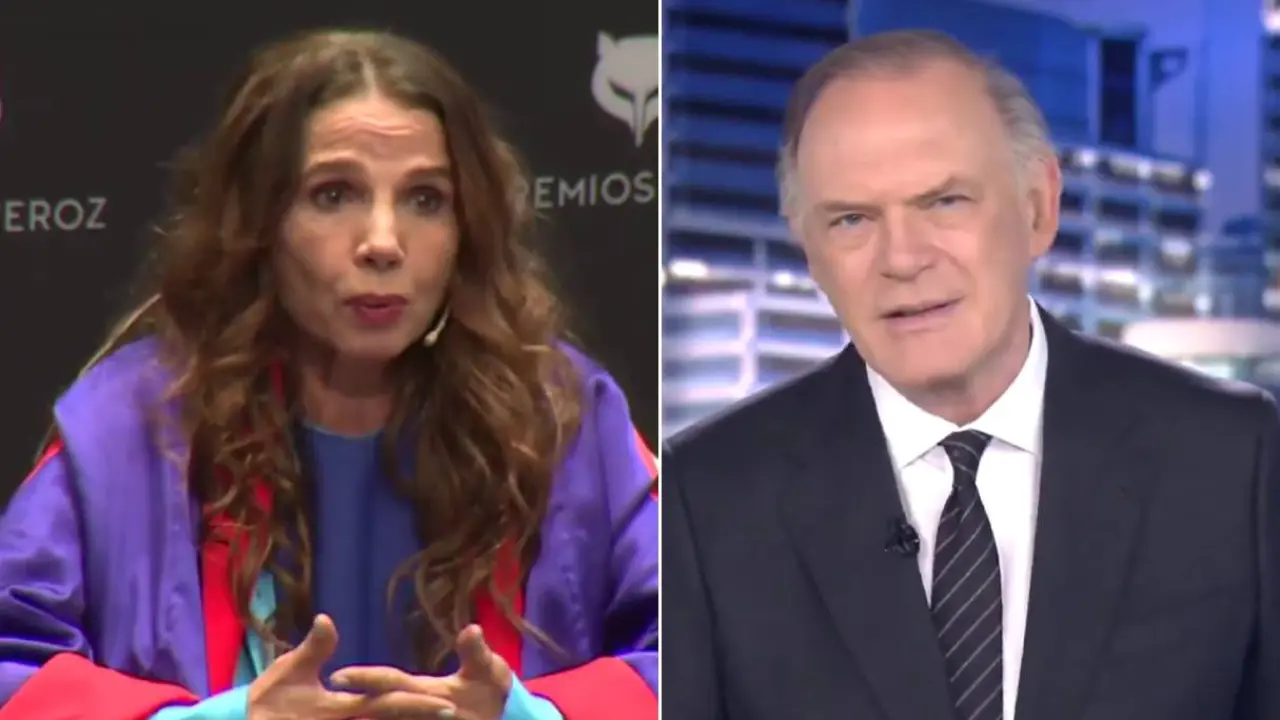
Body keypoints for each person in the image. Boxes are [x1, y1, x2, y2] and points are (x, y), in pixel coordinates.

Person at [0, 28, 657, 720]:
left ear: (467, 228)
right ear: (259, 221)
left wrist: (531, 717)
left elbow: (689, 649)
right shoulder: (131, 424)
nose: (383, 242)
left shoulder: (564, 417)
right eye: (334, 194)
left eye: (425, 199)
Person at [662, 29, 1280, 720]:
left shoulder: (1230, 457)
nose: (902, 258)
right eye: (852, 220)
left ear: (1038, 207)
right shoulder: (710, 496)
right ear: (810, 251)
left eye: (944, 202)